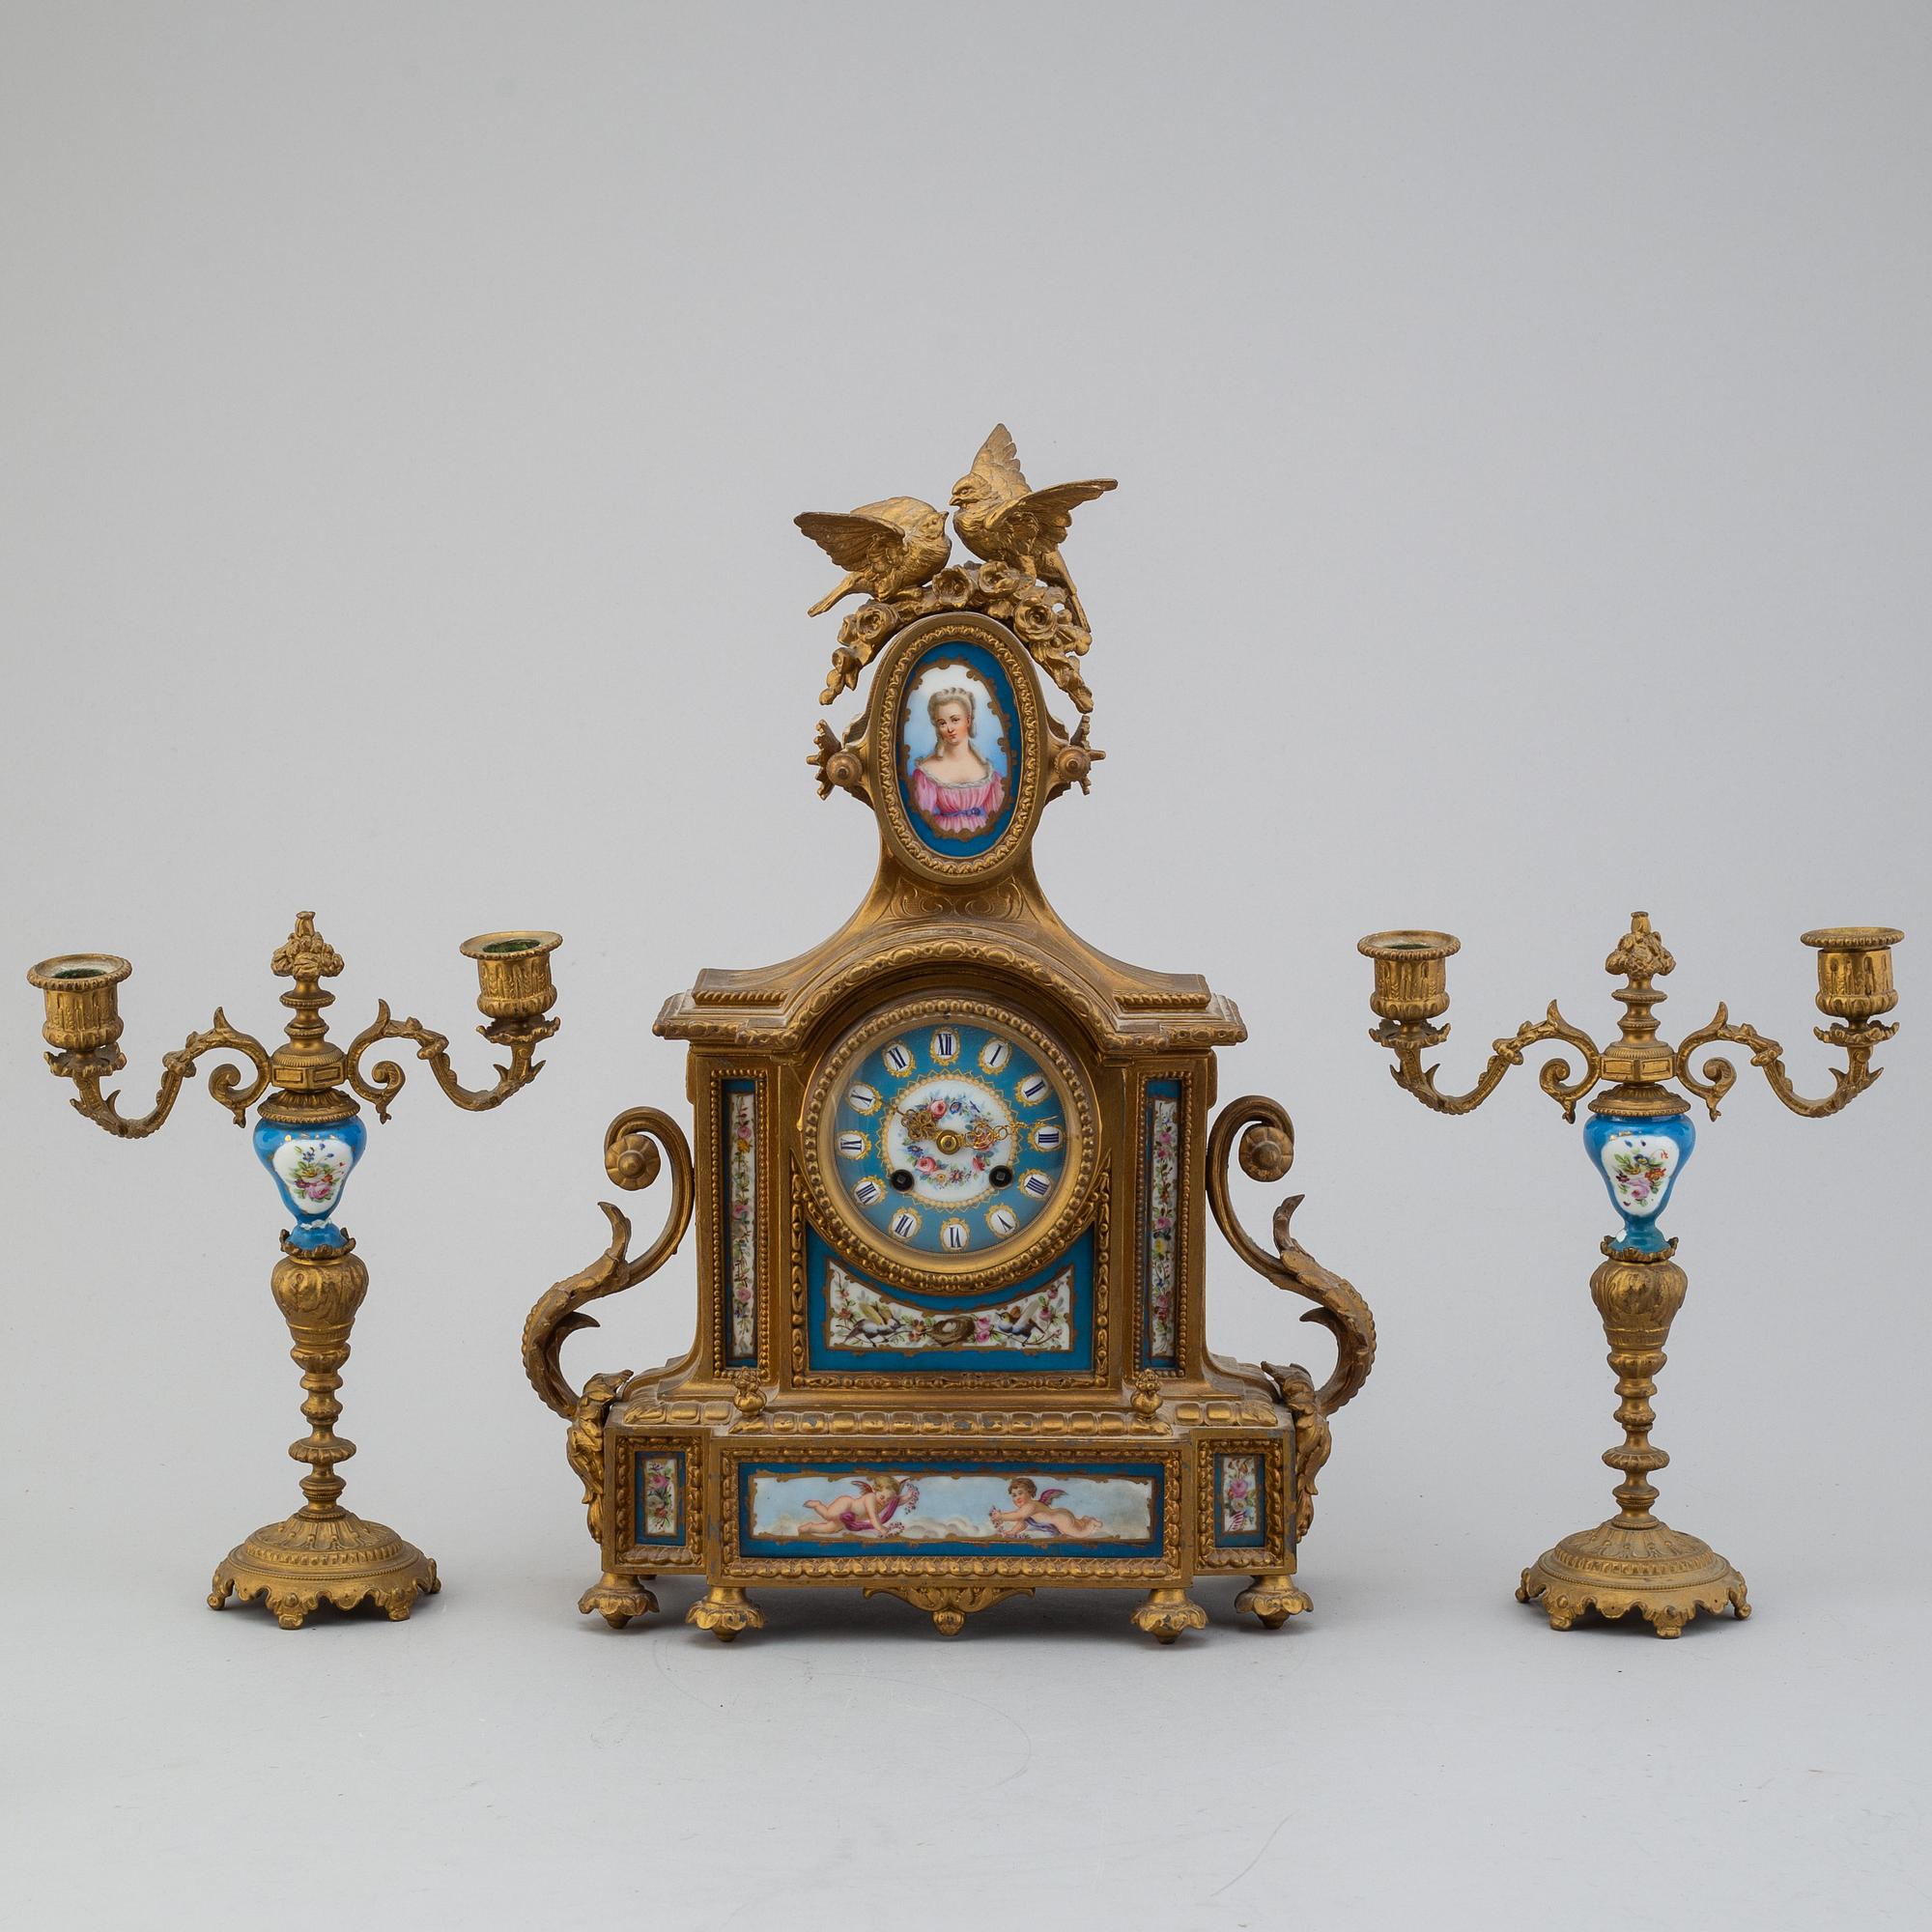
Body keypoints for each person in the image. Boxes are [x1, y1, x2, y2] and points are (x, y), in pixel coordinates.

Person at [911, 686, 1005, 835]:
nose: (949, 728)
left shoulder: (987, 770)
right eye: (942, 723)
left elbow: (1000, 820)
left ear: (968, 720)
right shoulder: (927, 771)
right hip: (942, 842)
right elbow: (919, 824)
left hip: (981, 842)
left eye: (955, 720)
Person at [798, 1472, 920, 1537]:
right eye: (883, 1497)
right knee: (828, 1515)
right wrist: (880, 1529)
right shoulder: (871, 1498)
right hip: (846, 1505)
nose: (885, 1501)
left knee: (829, 1529)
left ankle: (809, 1527)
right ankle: (817, 1505)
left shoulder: (884, 1501)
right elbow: (873, 1516)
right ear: (875, 1489)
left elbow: (897, 1502)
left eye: (889, 1499)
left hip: (848, 1519)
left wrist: (909, 1496)